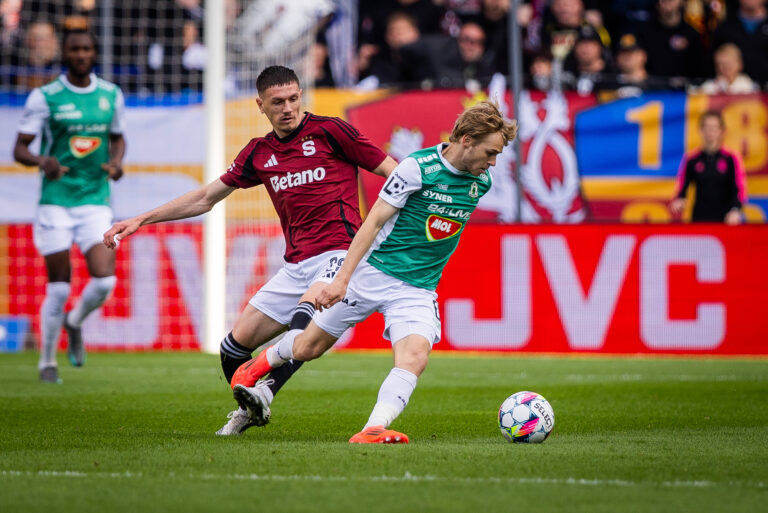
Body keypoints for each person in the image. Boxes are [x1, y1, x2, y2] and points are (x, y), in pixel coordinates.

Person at [102, 65, 397, 435]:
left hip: (340, 253)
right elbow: (204, 198)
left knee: (304, 324)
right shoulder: (259, 153)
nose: (288, 108)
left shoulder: (331, 130)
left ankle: (265, 395)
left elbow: (393, 172)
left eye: (293, 99)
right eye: (278, 102)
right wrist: (141, 219)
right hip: (295, 265)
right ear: (261, 105)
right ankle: (252, 404)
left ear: (301, 95)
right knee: (232, 351)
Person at [231, 101, 517, 443]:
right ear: (467, 139)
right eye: (491, 152)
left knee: (414, 356)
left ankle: (373, 428)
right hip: (372, 273)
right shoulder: (416, 168)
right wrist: (342, 279)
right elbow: (373, 222)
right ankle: (263, 361)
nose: (493, 162)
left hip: (417, 289)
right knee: (308, 348)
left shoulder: (480, 181)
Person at [13, 29, 126, 384]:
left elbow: (118, 138)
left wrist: (117, 164)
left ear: (94, 52)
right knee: (59, 286)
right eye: (75, 48)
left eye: (87, 48)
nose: (81, 54)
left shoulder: (110, 94)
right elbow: (19, 148)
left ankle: (74, 321)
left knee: (105, 281)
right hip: (56, 204)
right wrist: (40, 160)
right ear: (65, 53)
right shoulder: (44, 97)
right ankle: (47, 362)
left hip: (95, 202)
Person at [670, 110, 747, 224]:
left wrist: (736, 210)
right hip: (700, 218)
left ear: (721, 131)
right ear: (701, 130)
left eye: (714, 127)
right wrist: (679, 199)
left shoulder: (731, 158)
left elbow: (739, 188)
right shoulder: (692, 159)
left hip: (727, 219)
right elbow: (682, 185)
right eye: (707, 127)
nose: (710, 131)